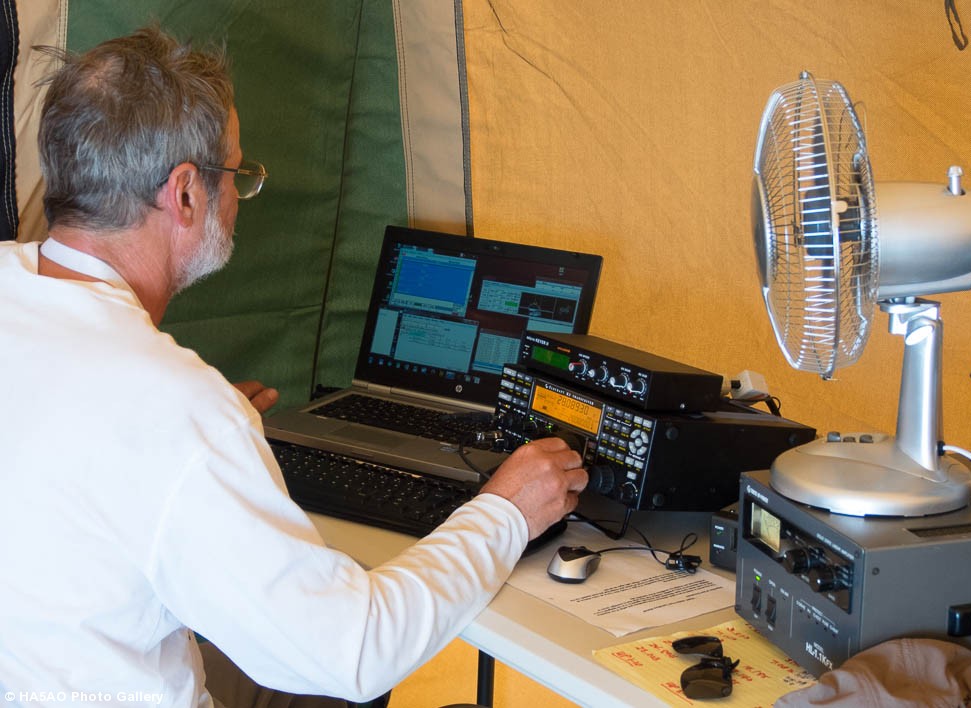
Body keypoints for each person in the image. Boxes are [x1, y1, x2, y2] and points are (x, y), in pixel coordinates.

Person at [0, 26, 588, 707]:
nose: (237, 197)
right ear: (185, 193)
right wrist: (506, 511)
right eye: (236, 175)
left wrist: (204, 449)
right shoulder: (173, 407)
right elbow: (353, 653)